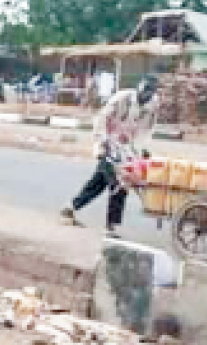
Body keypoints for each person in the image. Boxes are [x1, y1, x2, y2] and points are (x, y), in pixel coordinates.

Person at [62, 75, 160, 233]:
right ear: (138, 88)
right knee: (119, 182)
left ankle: (70, 208)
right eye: (143, 92)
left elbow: (147, 128)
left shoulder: (153, 104)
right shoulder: (122, 98)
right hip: (109, 141)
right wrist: (102, 143)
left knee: (98, 182)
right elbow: (102, 118)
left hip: (127, 147)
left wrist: (140, 149)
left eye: (149, 93)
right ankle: (111, 226)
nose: (145, 96)